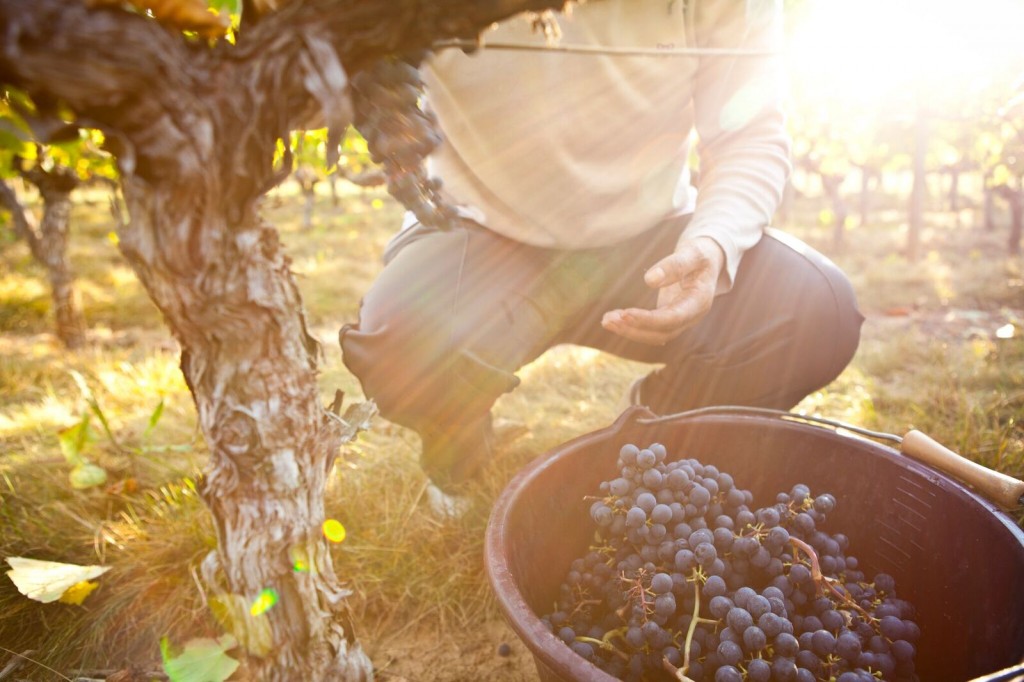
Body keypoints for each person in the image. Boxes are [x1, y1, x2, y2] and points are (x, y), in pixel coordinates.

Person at [339, 0, 864, 516]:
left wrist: (712, 243)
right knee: (404, 346)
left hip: (650, 237)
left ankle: (648, 450)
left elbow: (748, 135)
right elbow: (301, 73)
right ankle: (460, 454)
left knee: (817, 313)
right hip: (480, 227)